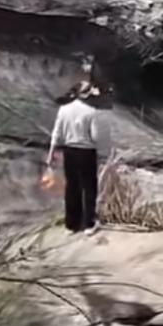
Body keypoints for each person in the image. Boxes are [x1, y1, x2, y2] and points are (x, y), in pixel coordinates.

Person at [47, 82, 101, 233]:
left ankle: (72, 224)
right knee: (89, 186)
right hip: (86, 151)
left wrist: (51, 153)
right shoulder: (91, 112)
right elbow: (95, 136)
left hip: (69, 151)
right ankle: (89, 223)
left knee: (72, 186)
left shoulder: (64, 109)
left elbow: (56, 133)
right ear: (87, 94)